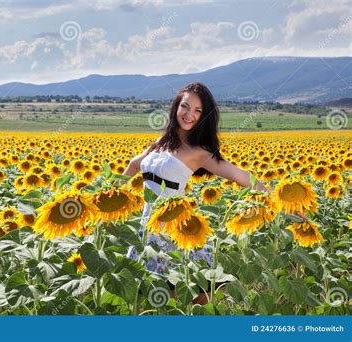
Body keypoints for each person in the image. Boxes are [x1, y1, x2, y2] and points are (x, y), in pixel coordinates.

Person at [122, 82, 307, 305]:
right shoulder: (160, 143)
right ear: (175, 107)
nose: (189, 115)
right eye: (185, 106)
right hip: (146, 230)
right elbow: (133, 165)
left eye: (198, 111)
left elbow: (240, 175)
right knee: (149, 299)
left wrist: (282, 202)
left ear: (204, 116)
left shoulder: (199, 152)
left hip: (172, 231)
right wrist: (112, 191)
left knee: (185, 298)